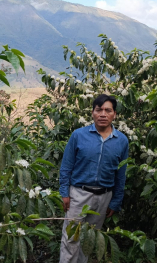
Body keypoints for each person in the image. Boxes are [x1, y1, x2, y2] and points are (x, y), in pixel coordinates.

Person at [59, 94, 129, 263]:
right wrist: (64, 192)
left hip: (104, 198)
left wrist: (116, 201)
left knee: (88, 240)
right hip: (78, 194)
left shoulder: (121, 141)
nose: (103, 114)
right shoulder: (78, 135)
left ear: (114, 114)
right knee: (70, 239)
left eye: (108, 110)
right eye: (99, 110)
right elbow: (66, 166)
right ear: (92, 113)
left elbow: (121, 174)